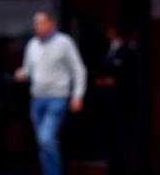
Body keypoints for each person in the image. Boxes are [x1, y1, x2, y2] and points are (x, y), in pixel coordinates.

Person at [14, 11, 87, 175]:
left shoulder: (64, 42)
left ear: (51, 24)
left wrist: (78, 95)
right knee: (42, 142)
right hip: (37, 99)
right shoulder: (32, 44)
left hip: (57, 98)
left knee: (46, 138)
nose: (36, 26)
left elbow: (78, 69)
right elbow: (29, 69)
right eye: (35, 23)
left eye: (40, 22)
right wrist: (23, 73)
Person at [94, 24, 134, 175]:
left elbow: (125, 76)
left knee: (121, 133)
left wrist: (112, 81)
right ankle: (112, 164)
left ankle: (122, 165)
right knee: (109, 133)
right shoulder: (106, 50)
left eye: (110, 31)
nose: (107, 34)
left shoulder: (126, 51)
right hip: (107, 101)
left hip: (122, 101)